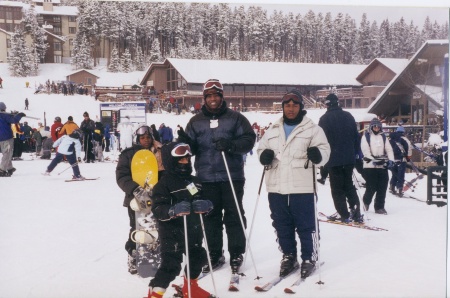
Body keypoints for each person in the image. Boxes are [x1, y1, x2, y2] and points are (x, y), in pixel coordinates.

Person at [177, 79, 256, 274]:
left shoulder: (236, 118)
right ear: (204, 98)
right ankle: (214, 253)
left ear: (222, 96)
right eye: (209, 96)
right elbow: (191, 150)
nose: (213, 99)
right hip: (206, 177)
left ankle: (236, 253)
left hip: (232, 175)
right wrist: (185, 142)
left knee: (234, 216)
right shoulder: (195, 121)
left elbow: (248, 139)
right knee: (210, 217)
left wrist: (231, 145)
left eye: (216, 95)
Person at [257, 89, 330, 279]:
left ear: (301, 107)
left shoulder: (313, 129)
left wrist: (319, 155)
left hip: (302, 186)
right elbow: (261, 148)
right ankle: (289, 255)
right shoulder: (273, 129)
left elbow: (325, 151)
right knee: (281, 225)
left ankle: (309, 258)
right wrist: (263, 156)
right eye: (287, 105)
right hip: (276, 186)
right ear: (283, 107)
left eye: (294, 105)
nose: (290, 109)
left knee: (306, 225)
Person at [146, 142, 213, 298]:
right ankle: (155, 292)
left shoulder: (193, 181)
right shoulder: (163, 184)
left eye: (187, 160)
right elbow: (157, 209)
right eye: (180, 160)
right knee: (171, 265)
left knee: (199, 257)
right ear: (171, 161)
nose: (185, 163)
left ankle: (191, 287)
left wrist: (206, 205)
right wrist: (172, 210)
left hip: (192, 230)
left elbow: (203, 199)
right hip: (172, 232)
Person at [115, 125, 164, 275]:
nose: (146, 140)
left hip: (157, 197)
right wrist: (135, 189)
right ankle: (133, 254)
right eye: (142, 138)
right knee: (137, 227)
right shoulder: (128, 154)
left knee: (156, 227)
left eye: (148, 137)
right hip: (135, 199)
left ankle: (154, 255)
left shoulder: (160, 152)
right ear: (138, 139)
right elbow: (121, 176)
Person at [318, 93, 364, 223]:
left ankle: (343, 214)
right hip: (349, 158)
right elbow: (356, 136)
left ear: (327, 104)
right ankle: (356, 212)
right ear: (338, 103)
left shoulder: (324, 119)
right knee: (349, 185)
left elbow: (322, 140)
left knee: (337, 189)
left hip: (333, 159)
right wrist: (356, 153)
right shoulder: (348, 116)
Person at [361, 118, 395, 215]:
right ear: (371, 127)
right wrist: (373, 160)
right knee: (371, 187)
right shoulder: (366, 137)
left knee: (382, 186)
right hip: (370, 165)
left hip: (382, 164)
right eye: (375, 126)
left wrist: (391, 160)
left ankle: (379, 207)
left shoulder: (383, 137)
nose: (376, 128)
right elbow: (365, 151)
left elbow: (389, 149)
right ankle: (366, 202)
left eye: (378, 127)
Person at [388, 129, 409, 196]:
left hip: (392, 160)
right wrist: (406, 156)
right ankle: (399, 188)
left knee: (394, 174)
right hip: (401, 160)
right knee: (400, 175)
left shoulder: (389, 140)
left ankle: (392, 186)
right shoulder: (403, 139)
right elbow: (407, 147)